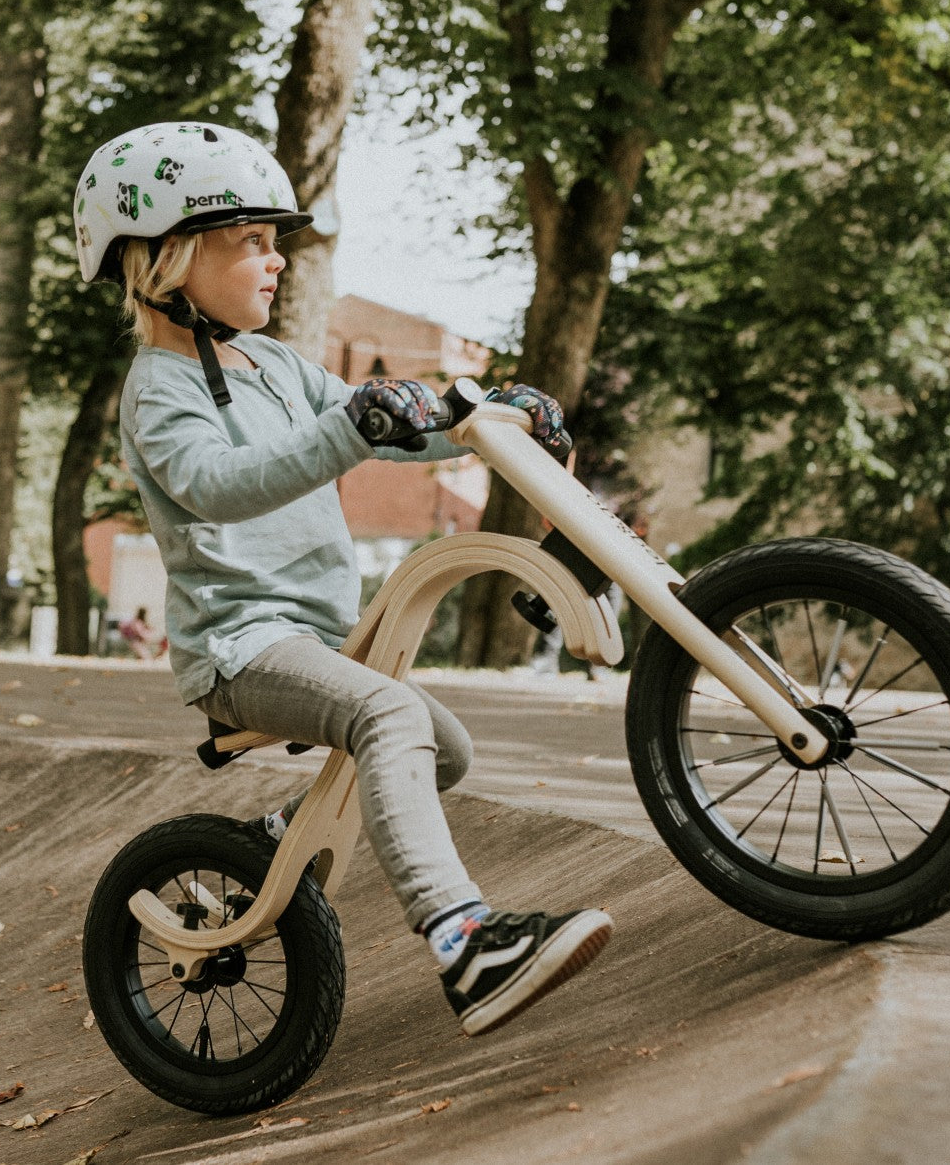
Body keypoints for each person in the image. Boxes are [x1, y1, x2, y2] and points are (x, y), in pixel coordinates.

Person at [73, 121, 611, 1037]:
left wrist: (484, 413)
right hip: (241, 652)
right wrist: (353, 426)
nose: (274, 261)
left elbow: (392, 428)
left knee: (444, 747)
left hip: (317, 637)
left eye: (275, 242)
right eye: (249, 241)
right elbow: (221, 485)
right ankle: (466, 943)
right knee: (391, 715)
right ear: (165, 256)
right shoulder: (157, 387)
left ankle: (282, 845)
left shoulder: (276, 362)